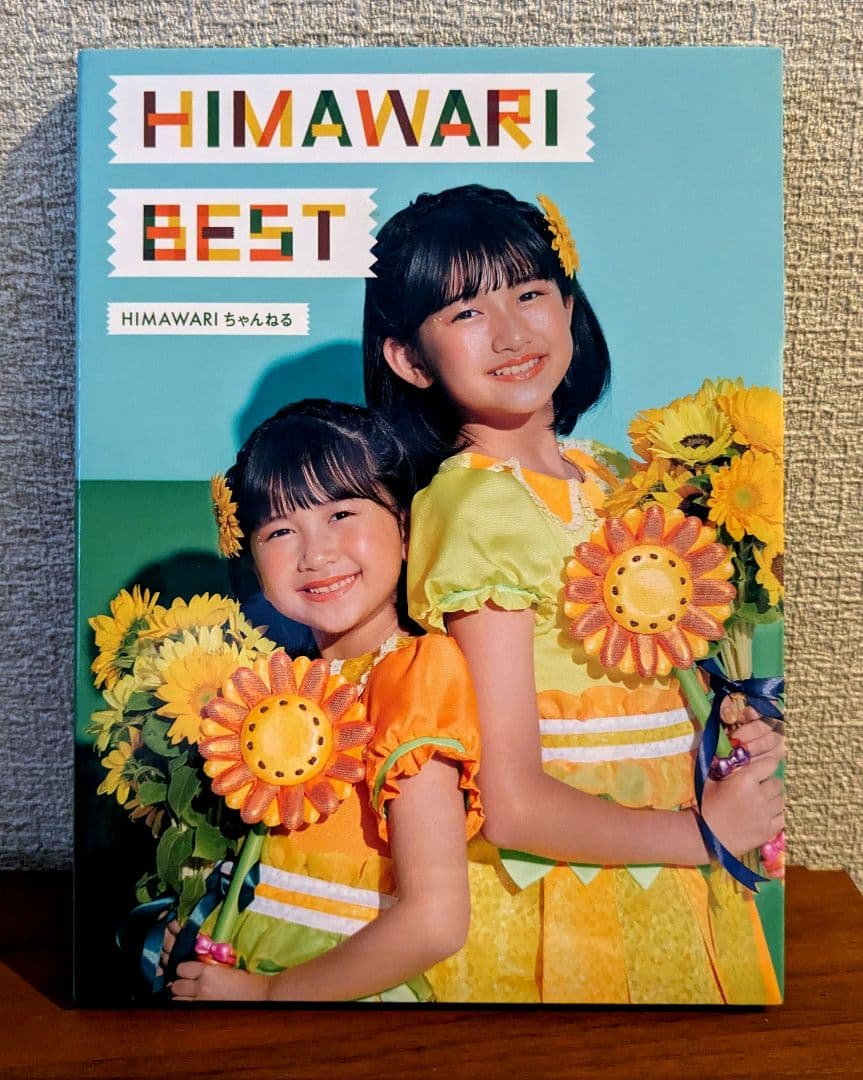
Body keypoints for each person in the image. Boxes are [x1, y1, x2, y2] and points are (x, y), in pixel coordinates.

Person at [364, 184, 784, 1003]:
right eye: (466, 312)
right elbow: (512, 806)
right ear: (409, 359)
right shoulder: (474, 505)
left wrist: (733, 735)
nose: (511, 333)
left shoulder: (619, 477)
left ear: (567, 305)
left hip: (671, 875)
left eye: (529, 294)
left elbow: (666, 691)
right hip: (567, 896)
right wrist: (702, 834)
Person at [169, 400, 482, 1002]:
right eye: (280, 531)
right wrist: (207, 930)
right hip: (258, 967)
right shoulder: (278, 683)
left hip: (350, 993)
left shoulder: (413, 674)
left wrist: (266, 996)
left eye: (341, 512)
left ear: (406, 527)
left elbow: (436, 920)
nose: (315, 555)